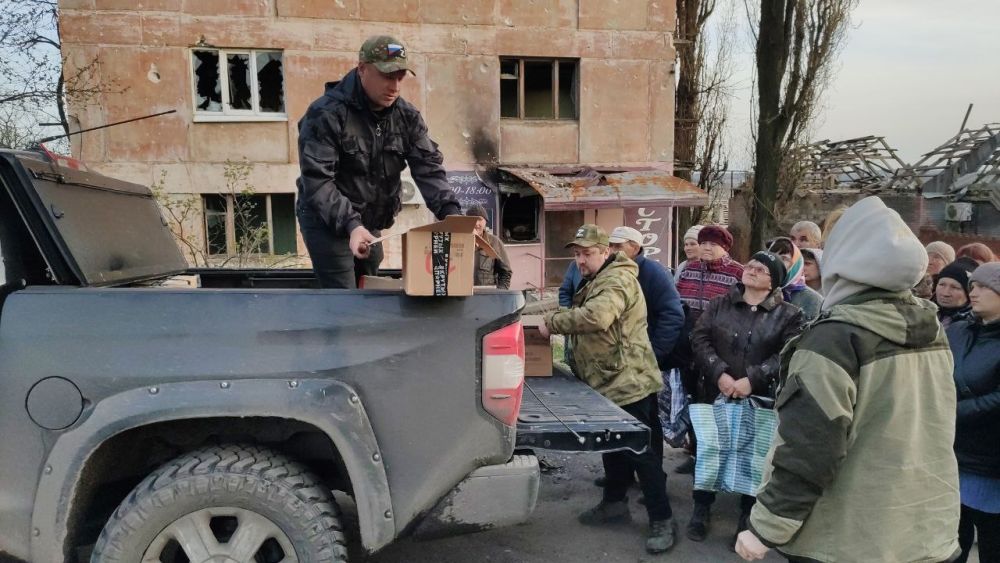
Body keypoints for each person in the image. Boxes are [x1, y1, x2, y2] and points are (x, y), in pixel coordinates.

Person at [736, 196, 960, 563]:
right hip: (925, 530)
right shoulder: (931, 328)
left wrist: (766, 528)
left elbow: (810, 446)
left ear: (845, 256)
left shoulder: (834, 339)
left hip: (847, 538)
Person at [538, 224, 677, 554]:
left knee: (641, 454)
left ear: (606, 252)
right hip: (607, 379)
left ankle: (662, 519)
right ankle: (614, 503)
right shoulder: (597, 277)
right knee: (613, 444)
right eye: (577, 254)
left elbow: (598, 316)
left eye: (587, 253)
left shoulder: (617, 279)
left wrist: (552, 322)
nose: (580, 260)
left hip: (628, 381)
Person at [296, 35, 462, 288]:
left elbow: (428, 168)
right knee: (344, 296)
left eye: (400, 77)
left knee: (370, 285)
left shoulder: (406, 116)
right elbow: (318, 182)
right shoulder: (326, 114)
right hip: (325, 219)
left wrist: (452, 214)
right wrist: (352, 226)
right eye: (387, 76)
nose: (395, 86)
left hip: (369, 221)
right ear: (362, 69)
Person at [687, 251, 803, 545]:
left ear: (774, 281)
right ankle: (701, 507)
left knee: (755, 456)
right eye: (750, 265)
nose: (751, 270)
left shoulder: (789, 315)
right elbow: (699, 339)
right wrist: (719, 373)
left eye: (761, 269)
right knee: (708, 449)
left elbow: (788, 353)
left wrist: (753, 379)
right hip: (715, 390)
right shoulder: (719, 304)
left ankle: (747, 517)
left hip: (760, 397)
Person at [947, 262, 1000, 563]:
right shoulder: (957, 330)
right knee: (952, 540)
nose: (973, 292)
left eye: (983, 287)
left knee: (992, 541)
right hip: (953, 450)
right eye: (972, 286)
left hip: (990, 458)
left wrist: (953, 410)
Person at [767, 237, 822, 321]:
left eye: (784, 258)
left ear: (795, 264)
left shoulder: (811, 300)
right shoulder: (757, 288)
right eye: (772, 256)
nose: (776, 261)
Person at [466, 204, 512, 289]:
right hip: (463, 295)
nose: (476, 223)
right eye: (472, 219)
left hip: (486, 294)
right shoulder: (459, 241)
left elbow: (506, 272)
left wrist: (499, 293)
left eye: (480, 219)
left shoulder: (494, 242)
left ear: (485, 222)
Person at [937, 261, 975, 329]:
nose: (945, 293)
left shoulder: (974, 325)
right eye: (942, 285)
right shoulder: (923, 312)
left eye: (954, 287)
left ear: (968, 293)